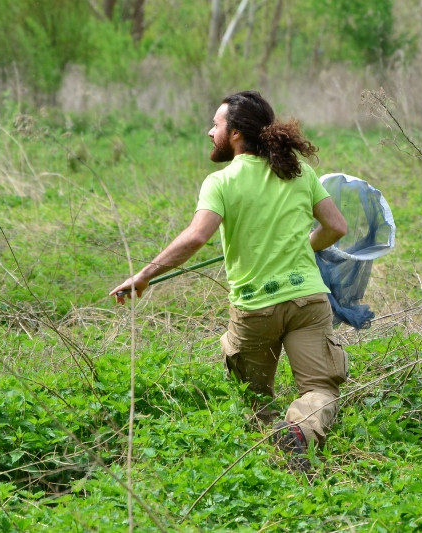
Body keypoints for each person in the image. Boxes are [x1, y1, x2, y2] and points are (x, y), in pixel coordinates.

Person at [110, 91, 348, 470]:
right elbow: (336, 227)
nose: (210, 132)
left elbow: (196, 237)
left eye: (216, 125)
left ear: (235, 133)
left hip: (256, 308)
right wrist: (304, 245)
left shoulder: (221, 181)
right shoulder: (299, 171)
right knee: (320, 387)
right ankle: (300, 432)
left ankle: (272, 452)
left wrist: (144, 275)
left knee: (257, 398)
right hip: (307, 301)